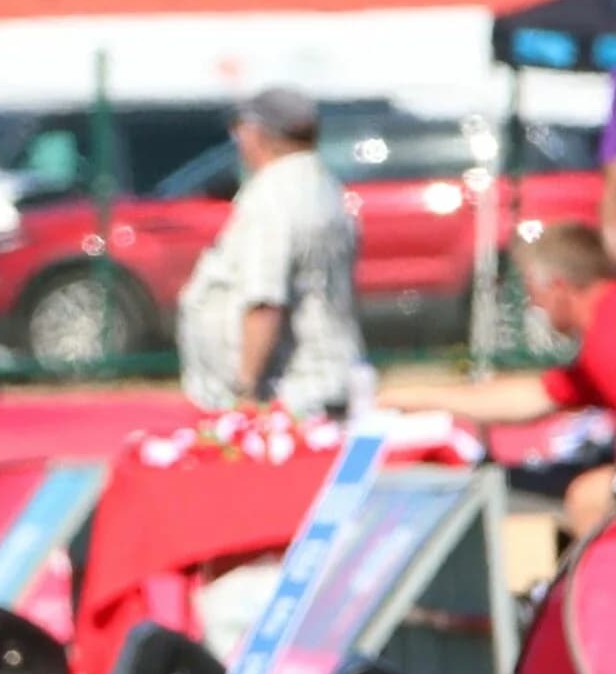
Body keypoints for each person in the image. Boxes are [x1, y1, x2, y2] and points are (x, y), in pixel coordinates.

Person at [382, 221, 616, 538]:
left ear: (559, 286)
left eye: (534, 289)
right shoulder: (600, 332)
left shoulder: (606, 336)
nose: (534, 304)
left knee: (587, 497)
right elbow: (531, 397)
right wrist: (416, 397)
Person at [175, 88, 364, 417]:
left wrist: (245, 391)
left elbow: (264, 299)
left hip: (287, 395)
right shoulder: (324, 186)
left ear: (256, 132)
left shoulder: (272, 196)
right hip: (328, 376)